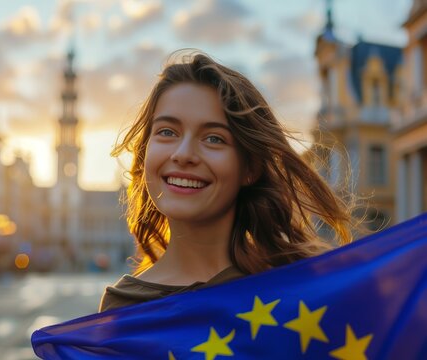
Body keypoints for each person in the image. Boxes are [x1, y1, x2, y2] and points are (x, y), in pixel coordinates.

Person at [99, 50, 355, 313]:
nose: (184, 154)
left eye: (214, 138)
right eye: (167, 132)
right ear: (144, 154)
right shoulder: (123, 306)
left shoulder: (297, 293)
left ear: (250, 169)